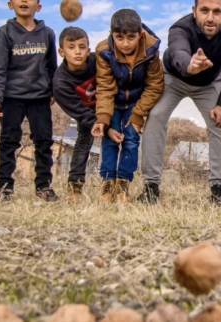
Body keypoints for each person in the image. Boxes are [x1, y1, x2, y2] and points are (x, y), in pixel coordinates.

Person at [136, 0, 221, 206]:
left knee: (219, 121)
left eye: (216, 12)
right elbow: (178, 51)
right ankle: (150, 186)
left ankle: (218, 188)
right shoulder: (179, 28)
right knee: (156, 115)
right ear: (194, 11)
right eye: (204, 11)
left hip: (210, 82)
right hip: (174, 77)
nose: (210, 18)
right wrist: (190, 65)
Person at [0, 0, 58, 203]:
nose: (24, 1)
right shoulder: (4, 33)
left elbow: (52, 67)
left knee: (44, 142)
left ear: (39, 7)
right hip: (11, 98)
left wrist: (52, 89)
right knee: (9, 142)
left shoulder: (47, 33)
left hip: (39, 98)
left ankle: (43, 186)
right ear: (10, 4)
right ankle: (4, 187)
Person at [91, 8, 164, 203]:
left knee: (131, 140)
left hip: (137, 102)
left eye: (131, 37)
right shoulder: (103, 51)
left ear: (140, 35)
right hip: (112, 101)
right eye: (119, 37)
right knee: (110, 140)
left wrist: (139, 114)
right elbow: (105, 86)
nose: (124, 43)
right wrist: (103, 118)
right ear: (111, 34)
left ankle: (123, 184)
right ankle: (107, 184)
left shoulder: (151, 50)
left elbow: (155, 85)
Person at [52, 27, 97, 202]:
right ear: (61, 51)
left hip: (106, 105)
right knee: (83, 141)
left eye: (82, 46)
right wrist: (96, 124)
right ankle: (75, 186)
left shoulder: (97, 62)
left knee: (116, 140)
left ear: (88, 50)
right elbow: (78, 111)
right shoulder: (61, 81)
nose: (77, 51)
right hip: (84, 111)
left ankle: (112, 183)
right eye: (71, 47)